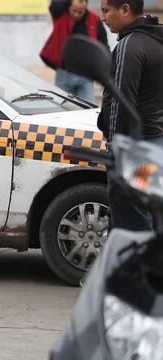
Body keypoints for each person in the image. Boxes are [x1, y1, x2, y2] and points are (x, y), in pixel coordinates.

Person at [98, 0, 163, 231]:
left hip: (134, 147)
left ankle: (136, 266)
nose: (103, 18)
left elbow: (120, 101)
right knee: (149, 217)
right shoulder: (156, 40)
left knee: (132, 221)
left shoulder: (130, 44)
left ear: (125, 10)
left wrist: (117, 148)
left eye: (106, 11)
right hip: (154, 144)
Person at [40, 0, 109, 103]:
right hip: (64, 73)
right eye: (74, 10)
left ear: (85, 8)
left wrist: (104, 69)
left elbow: (102, 43)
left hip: (86, 75)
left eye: (80, 12)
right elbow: (55, 4)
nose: (76, 14)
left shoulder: (94, 19)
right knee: (61, 109)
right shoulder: (60, 14)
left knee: (88, 109)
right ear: (68, 6)